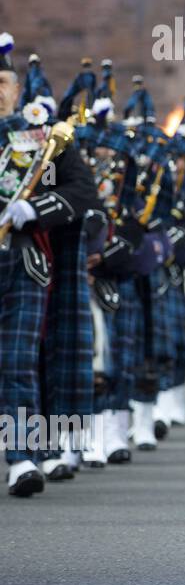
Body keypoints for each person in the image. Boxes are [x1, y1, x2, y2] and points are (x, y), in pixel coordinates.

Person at [0, 39, 99, 497]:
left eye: (2, 83)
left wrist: (34, 210)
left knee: (16, 361)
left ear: (17, 90)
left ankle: (21, 458)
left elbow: (82, 193)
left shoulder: (42, 138)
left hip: (21, 260)